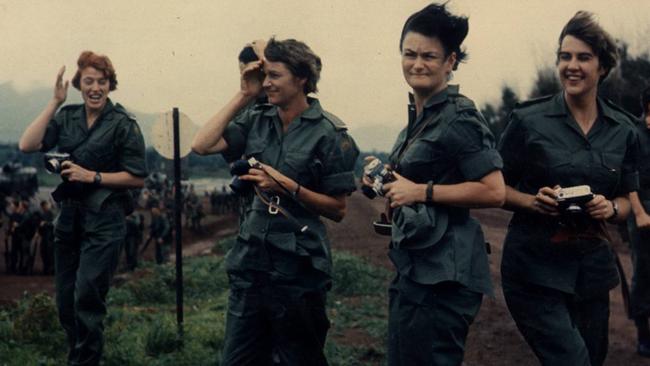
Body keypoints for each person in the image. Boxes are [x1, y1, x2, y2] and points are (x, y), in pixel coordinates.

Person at [192, 37, 359, 365]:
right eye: (265, 75)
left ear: (302, 79)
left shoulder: (329, 134)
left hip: (298, 271)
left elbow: (338, 209)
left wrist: (285, 186)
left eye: (275, 75)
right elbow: (201, 143)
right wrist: (244, 94)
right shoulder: (257, 119)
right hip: (251, 266)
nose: (266, 82)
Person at [360, 4, 506, 365]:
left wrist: (419, 192)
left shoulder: (460, 117)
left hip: (444, 278)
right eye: (409, 54)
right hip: (419, 267)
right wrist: (381, 182)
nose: (417, 64)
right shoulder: (422, 116)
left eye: (429, 56)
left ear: (450, 61)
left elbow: (494, 190)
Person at [498, 11, 639, 366]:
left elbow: (627, 199)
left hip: (591, 272)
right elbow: (493, 187)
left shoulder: (624, 129)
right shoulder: (528, 120)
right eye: (565, 56)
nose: (571, 66)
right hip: (533, 269)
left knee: (592, 359)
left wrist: (611, 208)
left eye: (583, 57)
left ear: (603, 67)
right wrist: (532, 201)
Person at [18, 51, 147, 366]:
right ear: (79, 84)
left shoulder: (123, 124)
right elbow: (27, 144)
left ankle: (85, 361)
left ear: (110, 85)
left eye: (102, 82)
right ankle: (79, 357)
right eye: (88, 81)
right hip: (69, 218)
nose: (95, 88)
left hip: (106, 221)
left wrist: (94, 176)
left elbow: (137, 177)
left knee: (87, 298)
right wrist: (54, 102)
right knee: (65, 302)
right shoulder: (66, 117)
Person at [628, 85, 650, 357]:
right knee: (644, 272)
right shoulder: (633, 133)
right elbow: (627, 176)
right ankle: (644, 335)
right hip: (642, 210)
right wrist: (640, 213)